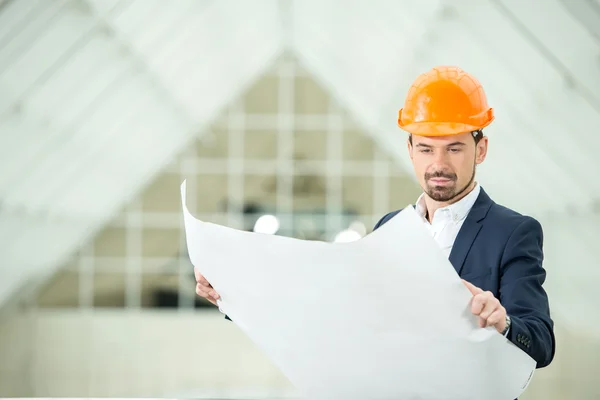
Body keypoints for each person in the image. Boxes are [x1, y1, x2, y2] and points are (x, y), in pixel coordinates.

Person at [194, 65, 555, 370]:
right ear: (410, 150)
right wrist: (232, 292)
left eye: (455, 148)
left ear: (481, 149)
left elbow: (540, 343)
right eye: (426, 148)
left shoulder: (512, 232)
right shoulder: (390, 228)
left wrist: (503, 322)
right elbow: (333, 309)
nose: (439, 164)